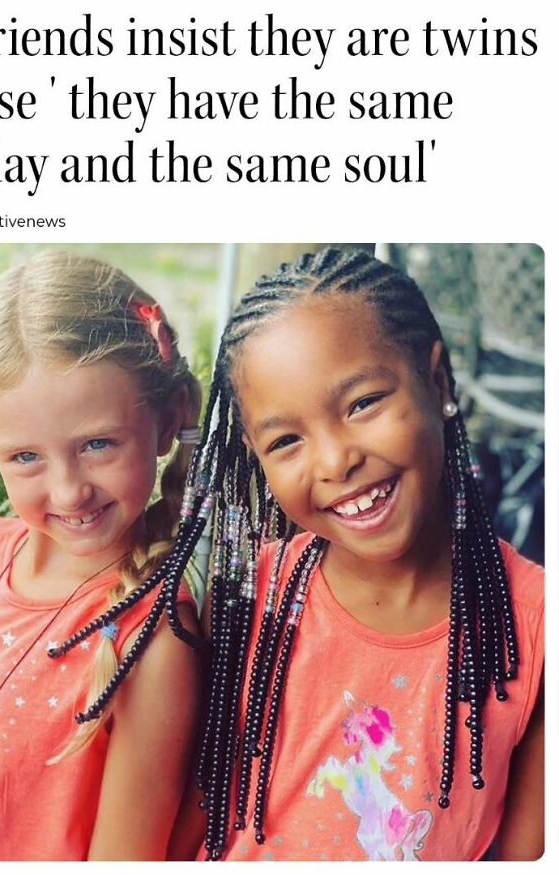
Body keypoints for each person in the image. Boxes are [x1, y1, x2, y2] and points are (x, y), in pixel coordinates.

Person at [160, 249, 545, 861]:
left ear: (437, 381)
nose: (336, 461)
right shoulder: (244, 603)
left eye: (363, 404)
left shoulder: (535, 628)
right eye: (286, 440)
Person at [0, 250, 204, 861]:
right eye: (26, 457)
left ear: (167, 420)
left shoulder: (153, 636)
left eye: (98, 444)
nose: (68, 490)